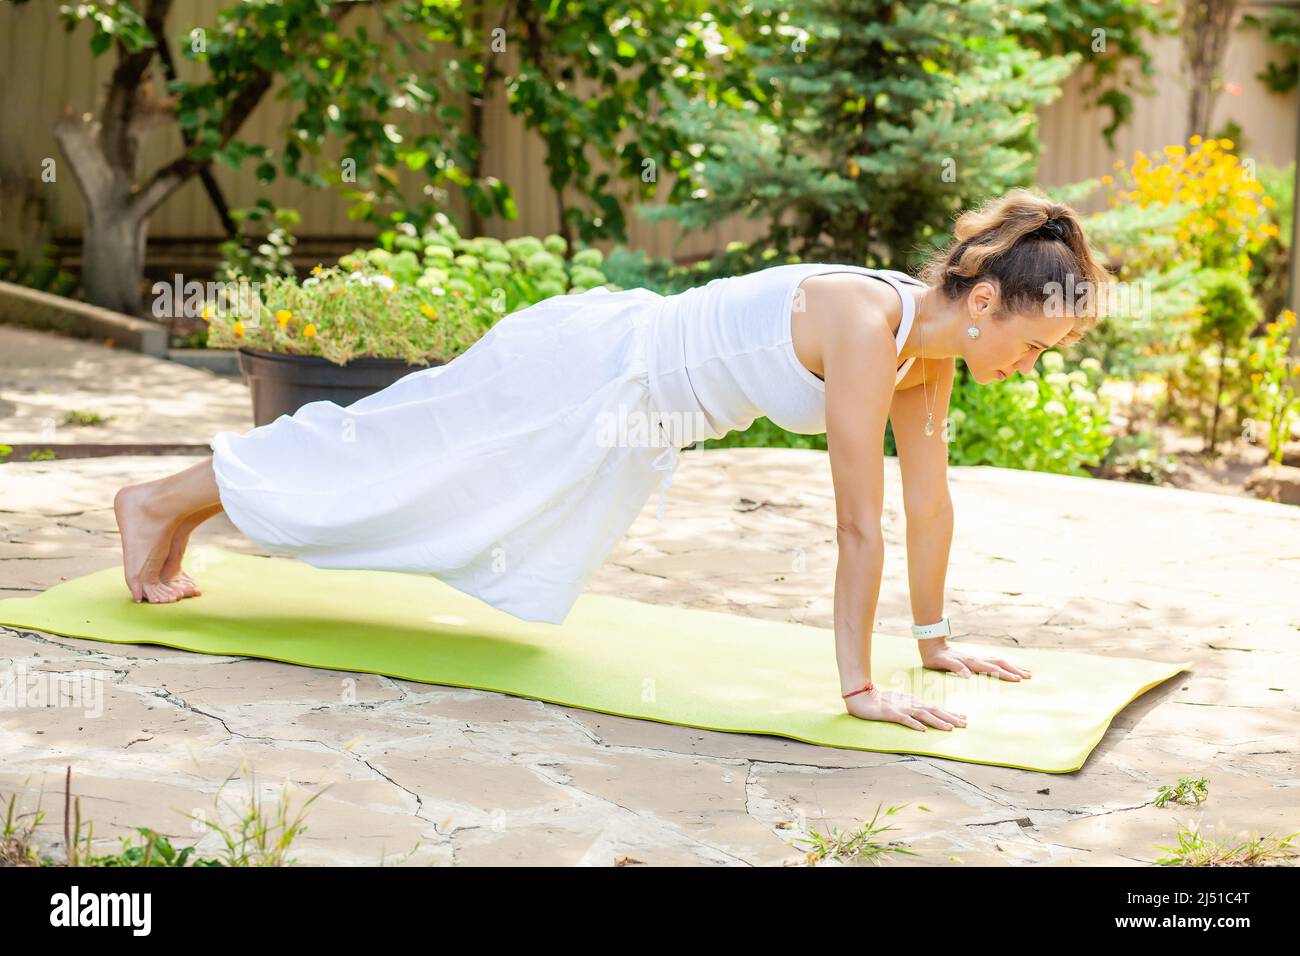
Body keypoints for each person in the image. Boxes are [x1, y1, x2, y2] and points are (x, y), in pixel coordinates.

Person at [113, 187, 1109, 733]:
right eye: (1031, 345)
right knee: (397, 454)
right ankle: (159, 499)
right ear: (982, 303)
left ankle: (181, 506)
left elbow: (927, 508)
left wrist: (933, 640)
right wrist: (858, 690)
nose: (1026, 368)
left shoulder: (924, 360)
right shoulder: (864, 323)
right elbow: (858, 519)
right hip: (593, 373)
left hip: (626, 412)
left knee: (420, 486)